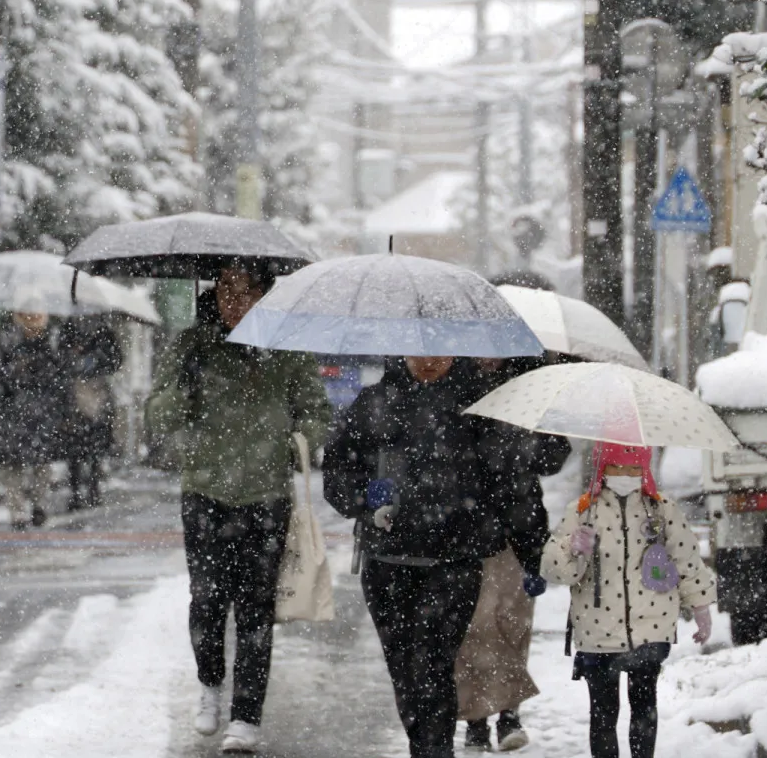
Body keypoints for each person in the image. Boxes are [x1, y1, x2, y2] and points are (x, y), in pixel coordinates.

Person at [146, 264, 330, 755]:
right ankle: (209, 683)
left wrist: (293, 444)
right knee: (207, 601)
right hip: (205, 492)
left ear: (264, 294)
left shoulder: (286, 346)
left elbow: (316, 413)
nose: (235, 300)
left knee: (255, 610)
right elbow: (157, 417)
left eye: (247, 290)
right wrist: (184, 388)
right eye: (227, 289)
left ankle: (246, 717)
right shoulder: (192, 345)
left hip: (266, 497)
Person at [323, 354, 537, 758]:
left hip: (452, 565)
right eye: (419, 350)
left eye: (440, 350)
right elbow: (337, 472)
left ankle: (435, 751)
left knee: (435, 666)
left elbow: (509, 480)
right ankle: (425, 747)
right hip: (387, 563)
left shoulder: (479, 404)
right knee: (404, 671)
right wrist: (365, 499)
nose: (429, 360)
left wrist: (523, 544)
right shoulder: (374, 402)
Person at [541, 443, 717, 758]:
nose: (626, 475)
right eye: (617, 467)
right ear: (603, 469)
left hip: (651, 626)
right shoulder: (583, 510)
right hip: (597, 627)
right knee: (603, 712)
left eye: (634, 468)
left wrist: (701, 606)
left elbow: (687, 560)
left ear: (645, 470)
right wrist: (570, 547)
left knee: (644, 706)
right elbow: (555, 570)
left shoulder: (662, 509)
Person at [457, 360, 573, 753]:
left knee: (513, 626)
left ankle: (508, 715)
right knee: (475, 629)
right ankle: (476, 720)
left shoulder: (532, 385)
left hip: (522, 531)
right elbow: (449, 456)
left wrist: (529, 440)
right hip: (470, 531)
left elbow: (554, 457)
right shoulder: (458, 385)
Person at [0, 305, 73, 529]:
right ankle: (17, 511)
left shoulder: (53, 338)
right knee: (12, 462)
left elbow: (63, 373)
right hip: (14, 408)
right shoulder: (7, 336)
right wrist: (15, 371)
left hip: (44, 409)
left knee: (42, 461)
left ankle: (39, 503)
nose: (32, 318)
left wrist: (43, 371)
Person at [63, 313, 123, 510]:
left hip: (98, 392)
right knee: (75, 447)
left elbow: (116, 360)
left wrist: (96, 357)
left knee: (95, 445)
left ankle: (92, 487)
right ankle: (76, 491)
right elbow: (61, 358)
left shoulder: (105, 331)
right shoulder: (69, 327)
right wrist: (74, 356)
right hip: (75, 392)